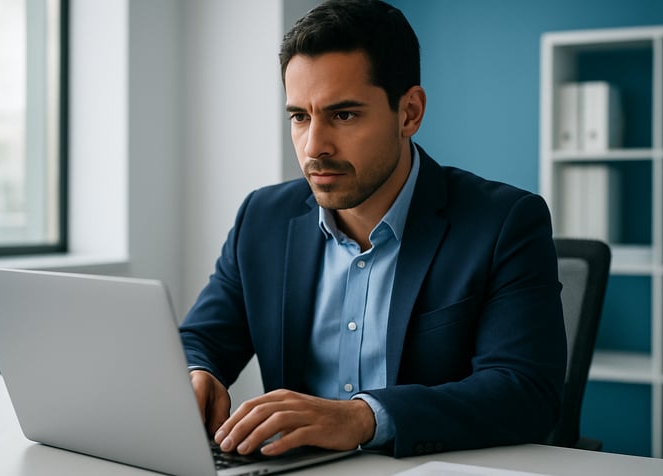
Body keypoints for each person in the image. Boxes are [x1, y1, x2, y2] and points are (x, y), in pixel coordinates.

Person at [179, 0, 566, 459]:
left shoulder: (505, 222)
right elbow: (199, 338)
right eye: (300, 116)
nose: (314, 147)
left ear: (409, 113)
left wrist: (362, 417)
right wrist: (196, 372)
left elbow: (524, 391)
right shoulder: (263, 218)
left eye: (343, 115)